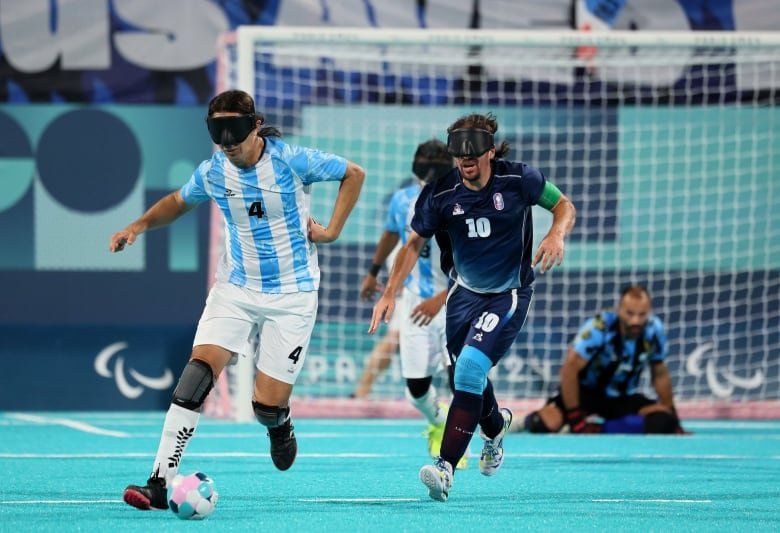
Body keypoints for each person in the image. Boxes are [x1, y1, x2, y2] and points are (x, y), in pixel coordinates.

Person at [109, 89, 365, 511]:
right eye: (217, 132)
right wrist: (137, 226)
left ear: (256, 126)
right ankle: (158, 482)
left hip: (293, 295)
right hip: (236, 289)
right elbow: (177, 201)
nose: (227, 142)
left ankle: (278, 424)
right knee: (197, 373)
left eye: (235, 131)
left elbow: (353, 173)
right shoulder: (213, 172)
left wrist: (333, 230)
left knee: (265, 404)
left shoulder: (290, 160)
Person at [369, 113, 576, 502]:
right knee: (468, 379)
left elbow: (563, 204)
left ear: (490, 150)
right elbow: (413, 243)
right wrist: (389, 292)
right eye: (459, 152)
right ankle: (496, 430)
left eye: (473, 151)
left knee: (466, 370)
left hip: (508, 293)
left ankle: (444, 468)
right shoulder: (441, 192)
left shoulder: (519, 179)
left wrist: (555, 233)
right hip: (463, 295)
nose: (465, 158)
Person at [361, 139, 464, 466]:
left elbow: (474, 258)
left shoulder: (464, 199)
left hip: (458, 298)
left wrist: (441, 297)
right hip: (417, 302)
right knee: (416, 389)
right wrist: (374, 272)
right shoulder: (403, 200)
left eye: (438, 162)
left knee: (459, 376)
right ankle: (439, 422)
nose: (430, 169)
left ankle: (456, 447)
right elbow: (392, 235)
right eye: (424, 163)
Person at [522, 285, 686, 435]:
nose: (635, 320)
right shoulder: (599, 327)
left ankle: (596, 427)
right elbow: (569, 369)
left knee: (664, 423)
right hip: (586, 395)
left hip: (623, 400)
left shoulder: (654, 330)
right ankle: (520, 422)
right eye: (630, 313)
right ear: (619, 309)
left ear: (649, 312)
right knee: (541, 424)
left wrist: (672, 414)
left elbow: (660, 374)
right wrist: (574, 414)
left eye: (642, 315)